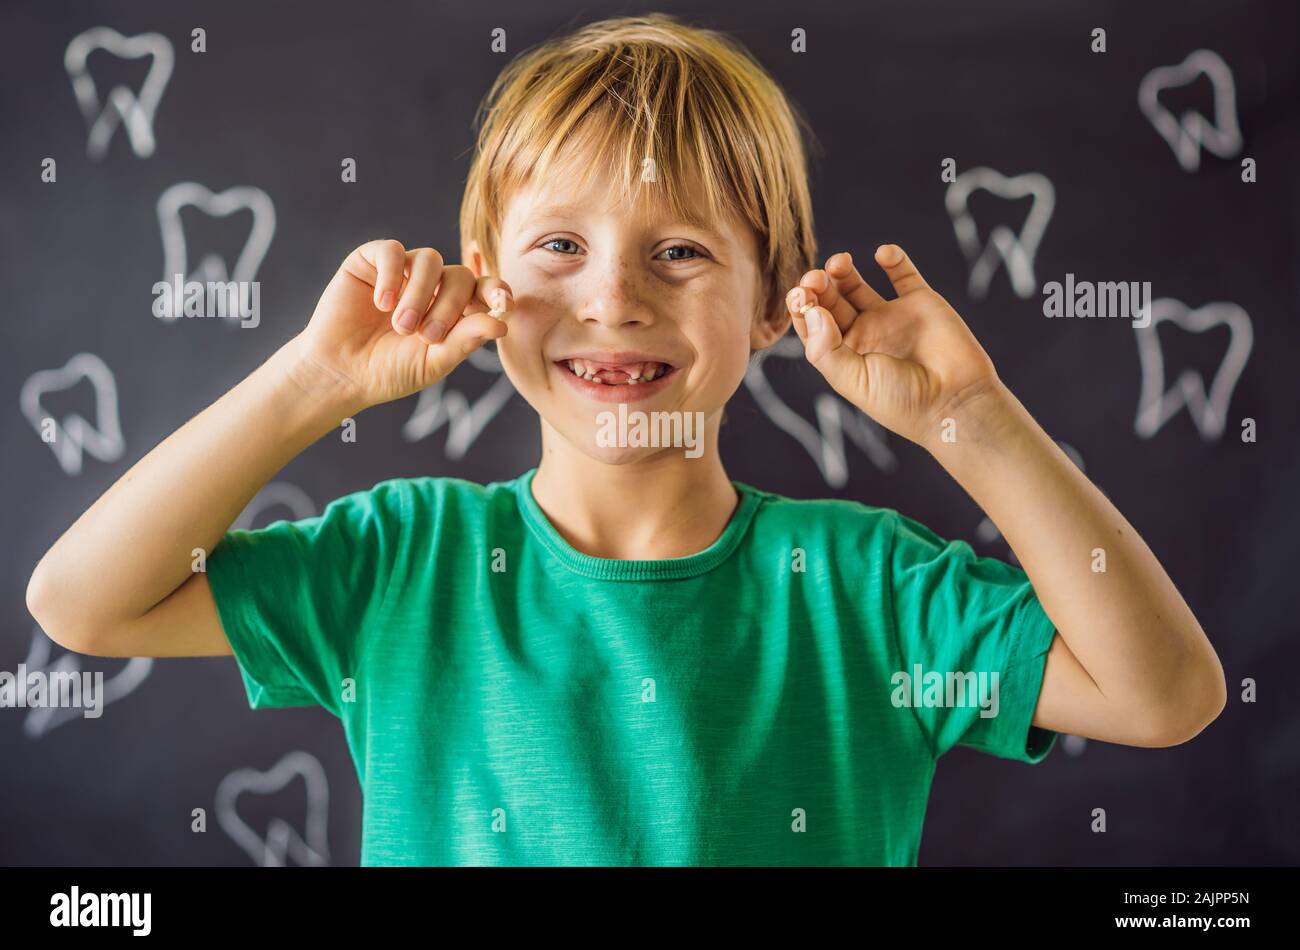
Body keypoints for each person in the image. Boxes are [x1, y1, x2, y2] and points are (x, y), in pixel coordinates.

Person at [27, 14, 1225, 865]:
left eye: (681, 250)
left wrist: (971, 419)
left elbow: (1163, 694)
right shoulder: (400, 562)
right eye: (560, 247)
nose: (612, 298)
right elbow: (83, 604)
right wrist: (312, 379)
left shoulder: (867, 585)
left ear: (770, 308)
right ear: (486, 284)